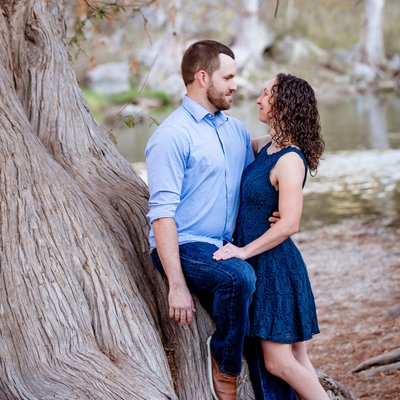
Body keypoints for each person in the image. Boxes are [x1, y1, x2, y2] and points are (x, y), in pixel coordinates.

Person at [145, 41, 295, 400]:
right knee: (239, 277)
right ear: (202, 77)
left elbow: (267, 164)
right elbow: (162, 214)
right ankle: (223, 361)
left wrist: (283, 203)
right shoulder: (171, 136)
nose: (235, 84)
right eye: (227, 76)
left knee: (266, 326)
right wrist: (176, 284)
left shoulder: (235, 131)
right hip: (185, 244)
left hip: (228, 245)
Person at [213, 73, 329, 400]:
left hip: (275, 267)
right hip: (268, 263)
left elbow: (289, 223)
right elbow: (229, 148)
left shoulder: (290, 159)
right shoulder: (266, 146)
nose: (259, 100)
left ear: (283, 104)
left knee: (278, 362)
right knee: (297, 357)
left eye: (266, 94)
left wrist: (242, 251)